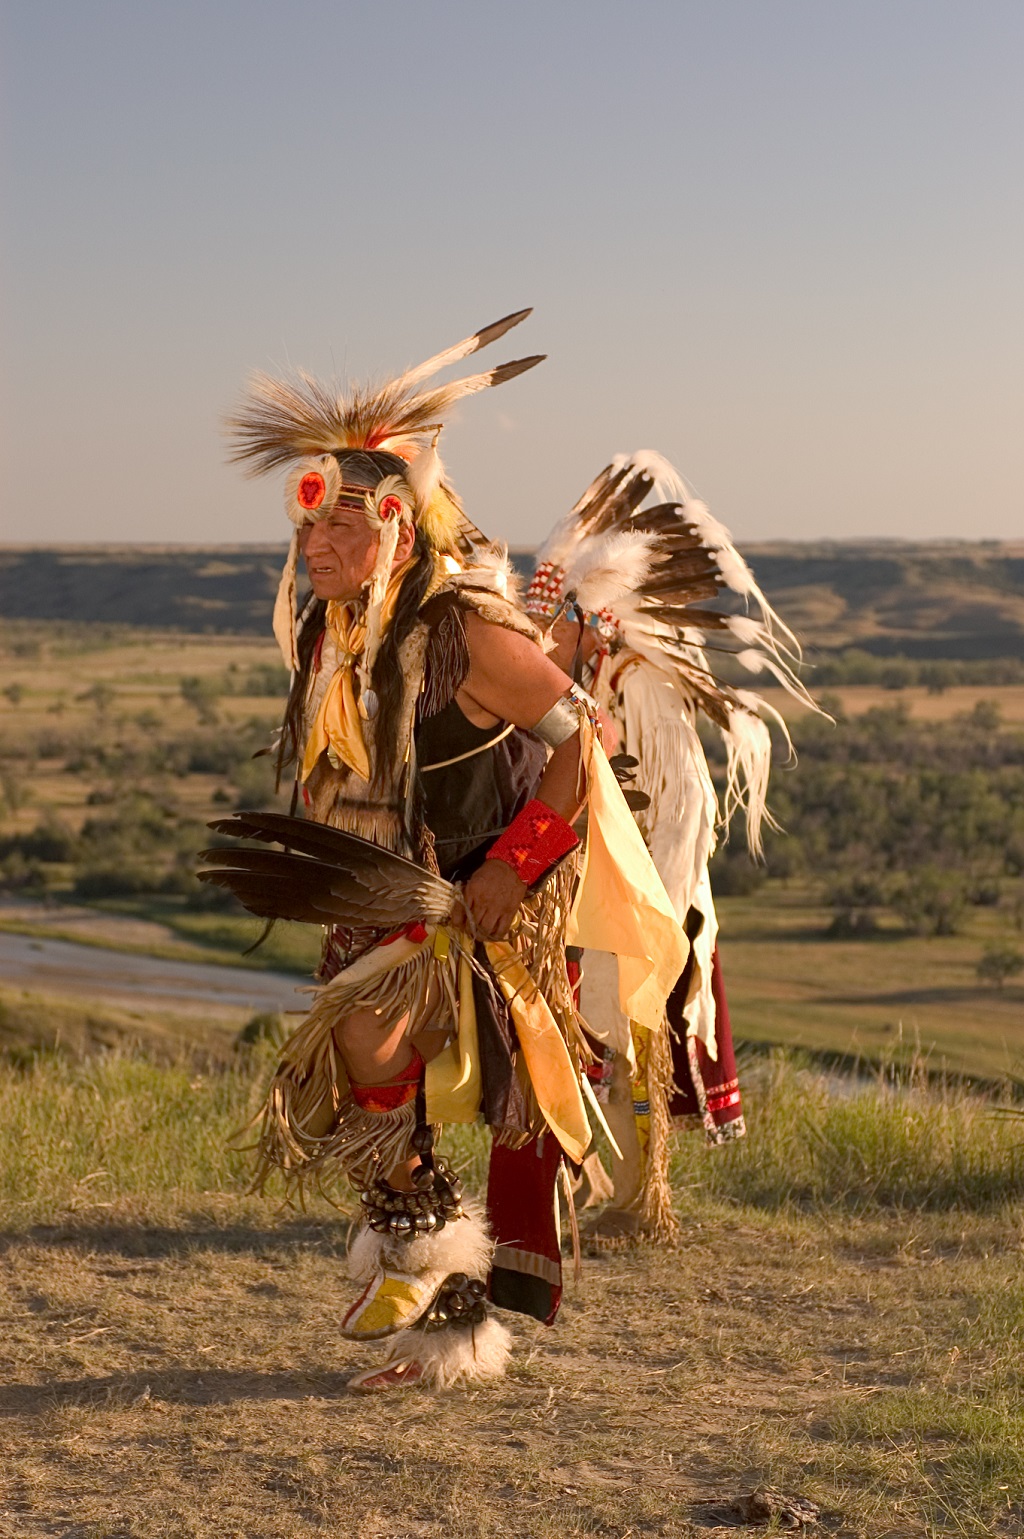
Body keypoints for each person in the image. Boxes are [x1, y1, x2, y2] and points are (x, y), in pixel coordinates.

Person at [206, 317, 687, 1391]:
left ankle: (442, 1287)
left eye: (338, 531)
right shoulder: (337, 634)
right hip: (375, 899)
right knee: (364, 1095)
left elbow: (584, 743)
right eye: (305, 534)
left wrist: (512, 869)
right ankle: (446, 1316)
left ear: (397, 526)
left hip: (471, 903)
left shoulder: (466, 632)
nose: (315, 550)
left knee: (380, 1055)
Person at [524, 451, 819, 1239]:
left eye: (549, 628)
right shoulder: (587, 680)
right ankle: (596, 1187)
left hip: (646, 891)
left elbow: (684, 798)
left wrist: (659, 900)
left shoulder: (640, 684)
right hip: (595, 889)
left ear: (586, 620)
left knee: (637, 1043)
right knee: (585, 1040)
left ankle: (641, 1197)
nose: (540, 642)